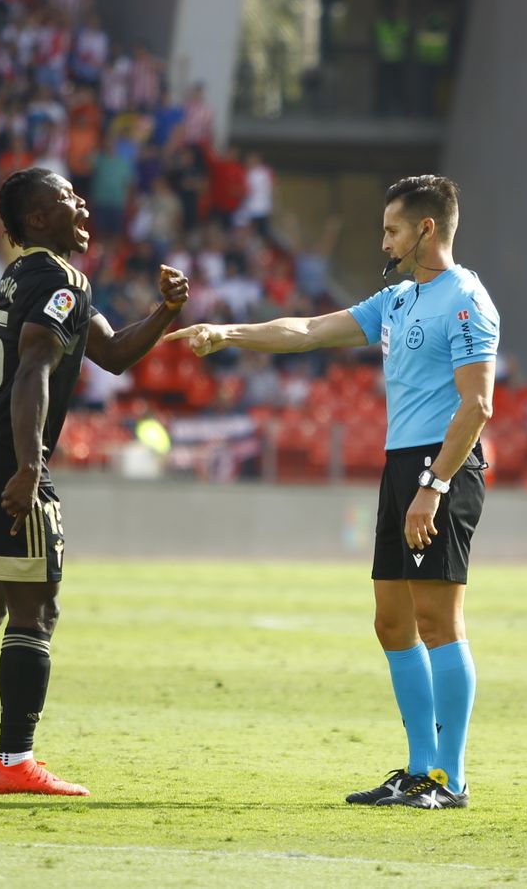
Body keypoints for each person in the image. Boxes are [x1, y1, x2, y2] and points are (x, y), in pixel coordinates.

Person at [168, 174, 497, 810]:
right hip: (401, 467)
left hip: (443, 468)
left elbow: (477, 404)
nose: (385, 241)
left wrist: (433, 486)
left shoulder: (466, 299)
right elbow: (310, 330)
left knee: (438, 621)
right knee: (392, 622)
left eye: (393, 229)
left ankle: (449, 779)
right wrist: (227, 333)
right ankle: (418, 769)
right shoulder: (398, 298)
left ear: (426, 228)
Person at [0, 168, 188, 796]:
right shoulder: (62, 280)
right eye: (67, 198)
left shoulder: (26, 275)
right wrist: (29, 466)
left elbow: (112, 354)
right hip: (2, 459)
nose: (82, 202)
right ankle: (15, 762)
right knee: (36, 610)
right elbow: (34, 368)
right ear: (38, 219)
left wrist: (166, 312)